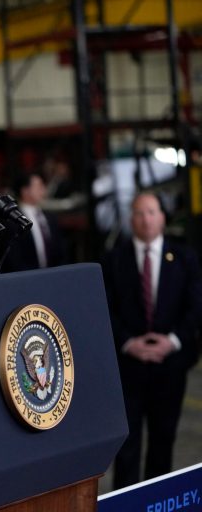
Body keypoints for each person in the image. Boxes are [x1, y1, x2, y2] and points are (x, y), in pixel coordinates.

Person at [101, 192, 202, 489]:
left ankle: (157, 502)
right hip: (127, 367)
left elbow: (195, 306)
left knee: (163, 441)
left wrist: (172, 340)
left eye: (151, 212)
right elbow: (103, 308)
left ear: (162, 217)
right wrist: (128, 342)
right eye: (138, 213)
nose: (145, 219)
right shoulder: (113, 260)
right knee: (126, 447)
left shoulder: (185, 257)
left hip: (170, 366)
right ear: (131, 220)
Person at [1, 172, 66, 273]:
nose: (43, 190)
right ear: (25, 191)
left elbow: (60, 252)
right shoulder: (13, 222)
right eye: (39, 186)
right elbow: (14, 260)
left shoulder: (50, 218)